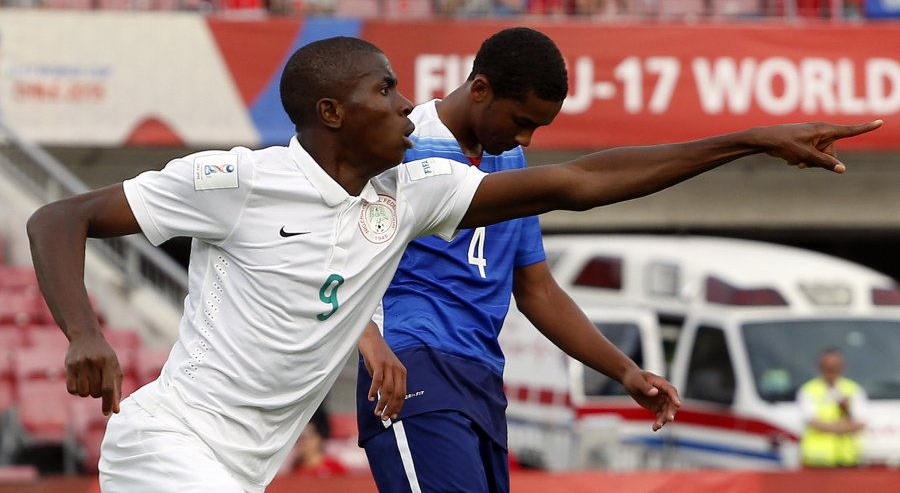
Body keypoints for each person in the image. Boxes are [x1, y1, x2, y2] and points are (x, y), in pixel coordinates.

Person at [26, 34, 878, 492]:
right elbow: (60, 213)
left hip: (250, 465)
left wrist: (744, 142)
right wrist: (82, 332)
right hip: (170, 446)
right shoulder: (238, 181)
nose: (406, 105)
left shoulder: (415, 191)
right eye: (385, 92)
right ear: (331, 113)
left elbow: (581, 182)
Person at [354, 27, 673, 493]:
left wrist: (623, 369)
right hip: (411, 367)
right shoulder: (398, 147)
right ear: (480, 89)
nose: (526, 136)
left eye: (537, 127)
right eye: (520, 120)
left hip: (481, 379)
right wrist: (367, 337)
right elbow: (323, 252)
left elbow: (536, 289)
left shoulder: (511, 160)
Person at [797, 348, 868, 467]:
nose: (831, 369)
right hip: (818, 460)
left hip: (849, 459)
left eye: (835, 365)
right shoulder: (808, 390)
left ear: (842, 367)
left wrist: (845, 412)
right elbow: (812, 421)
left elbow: (861, 422)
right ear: (820, 367)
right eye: (827, 366)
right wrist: (843, 426)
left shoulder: (853, 389)